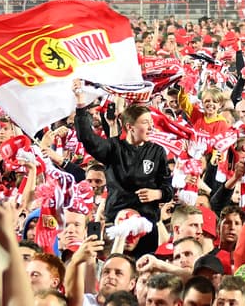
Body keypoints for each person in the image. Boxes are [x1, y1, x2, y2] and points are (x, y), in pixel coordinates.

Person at [73, 80, 174, 257]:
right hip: (117, 224)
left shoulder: (157, 152)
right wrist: (81, 103)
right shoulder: (114, 148)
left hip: (147, 223)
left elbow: (168, 188)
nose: (151, 127)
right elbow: (88, 139)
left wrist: (156, 194)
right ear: (130, 127)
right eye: (145, 122)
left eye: (151, 122)